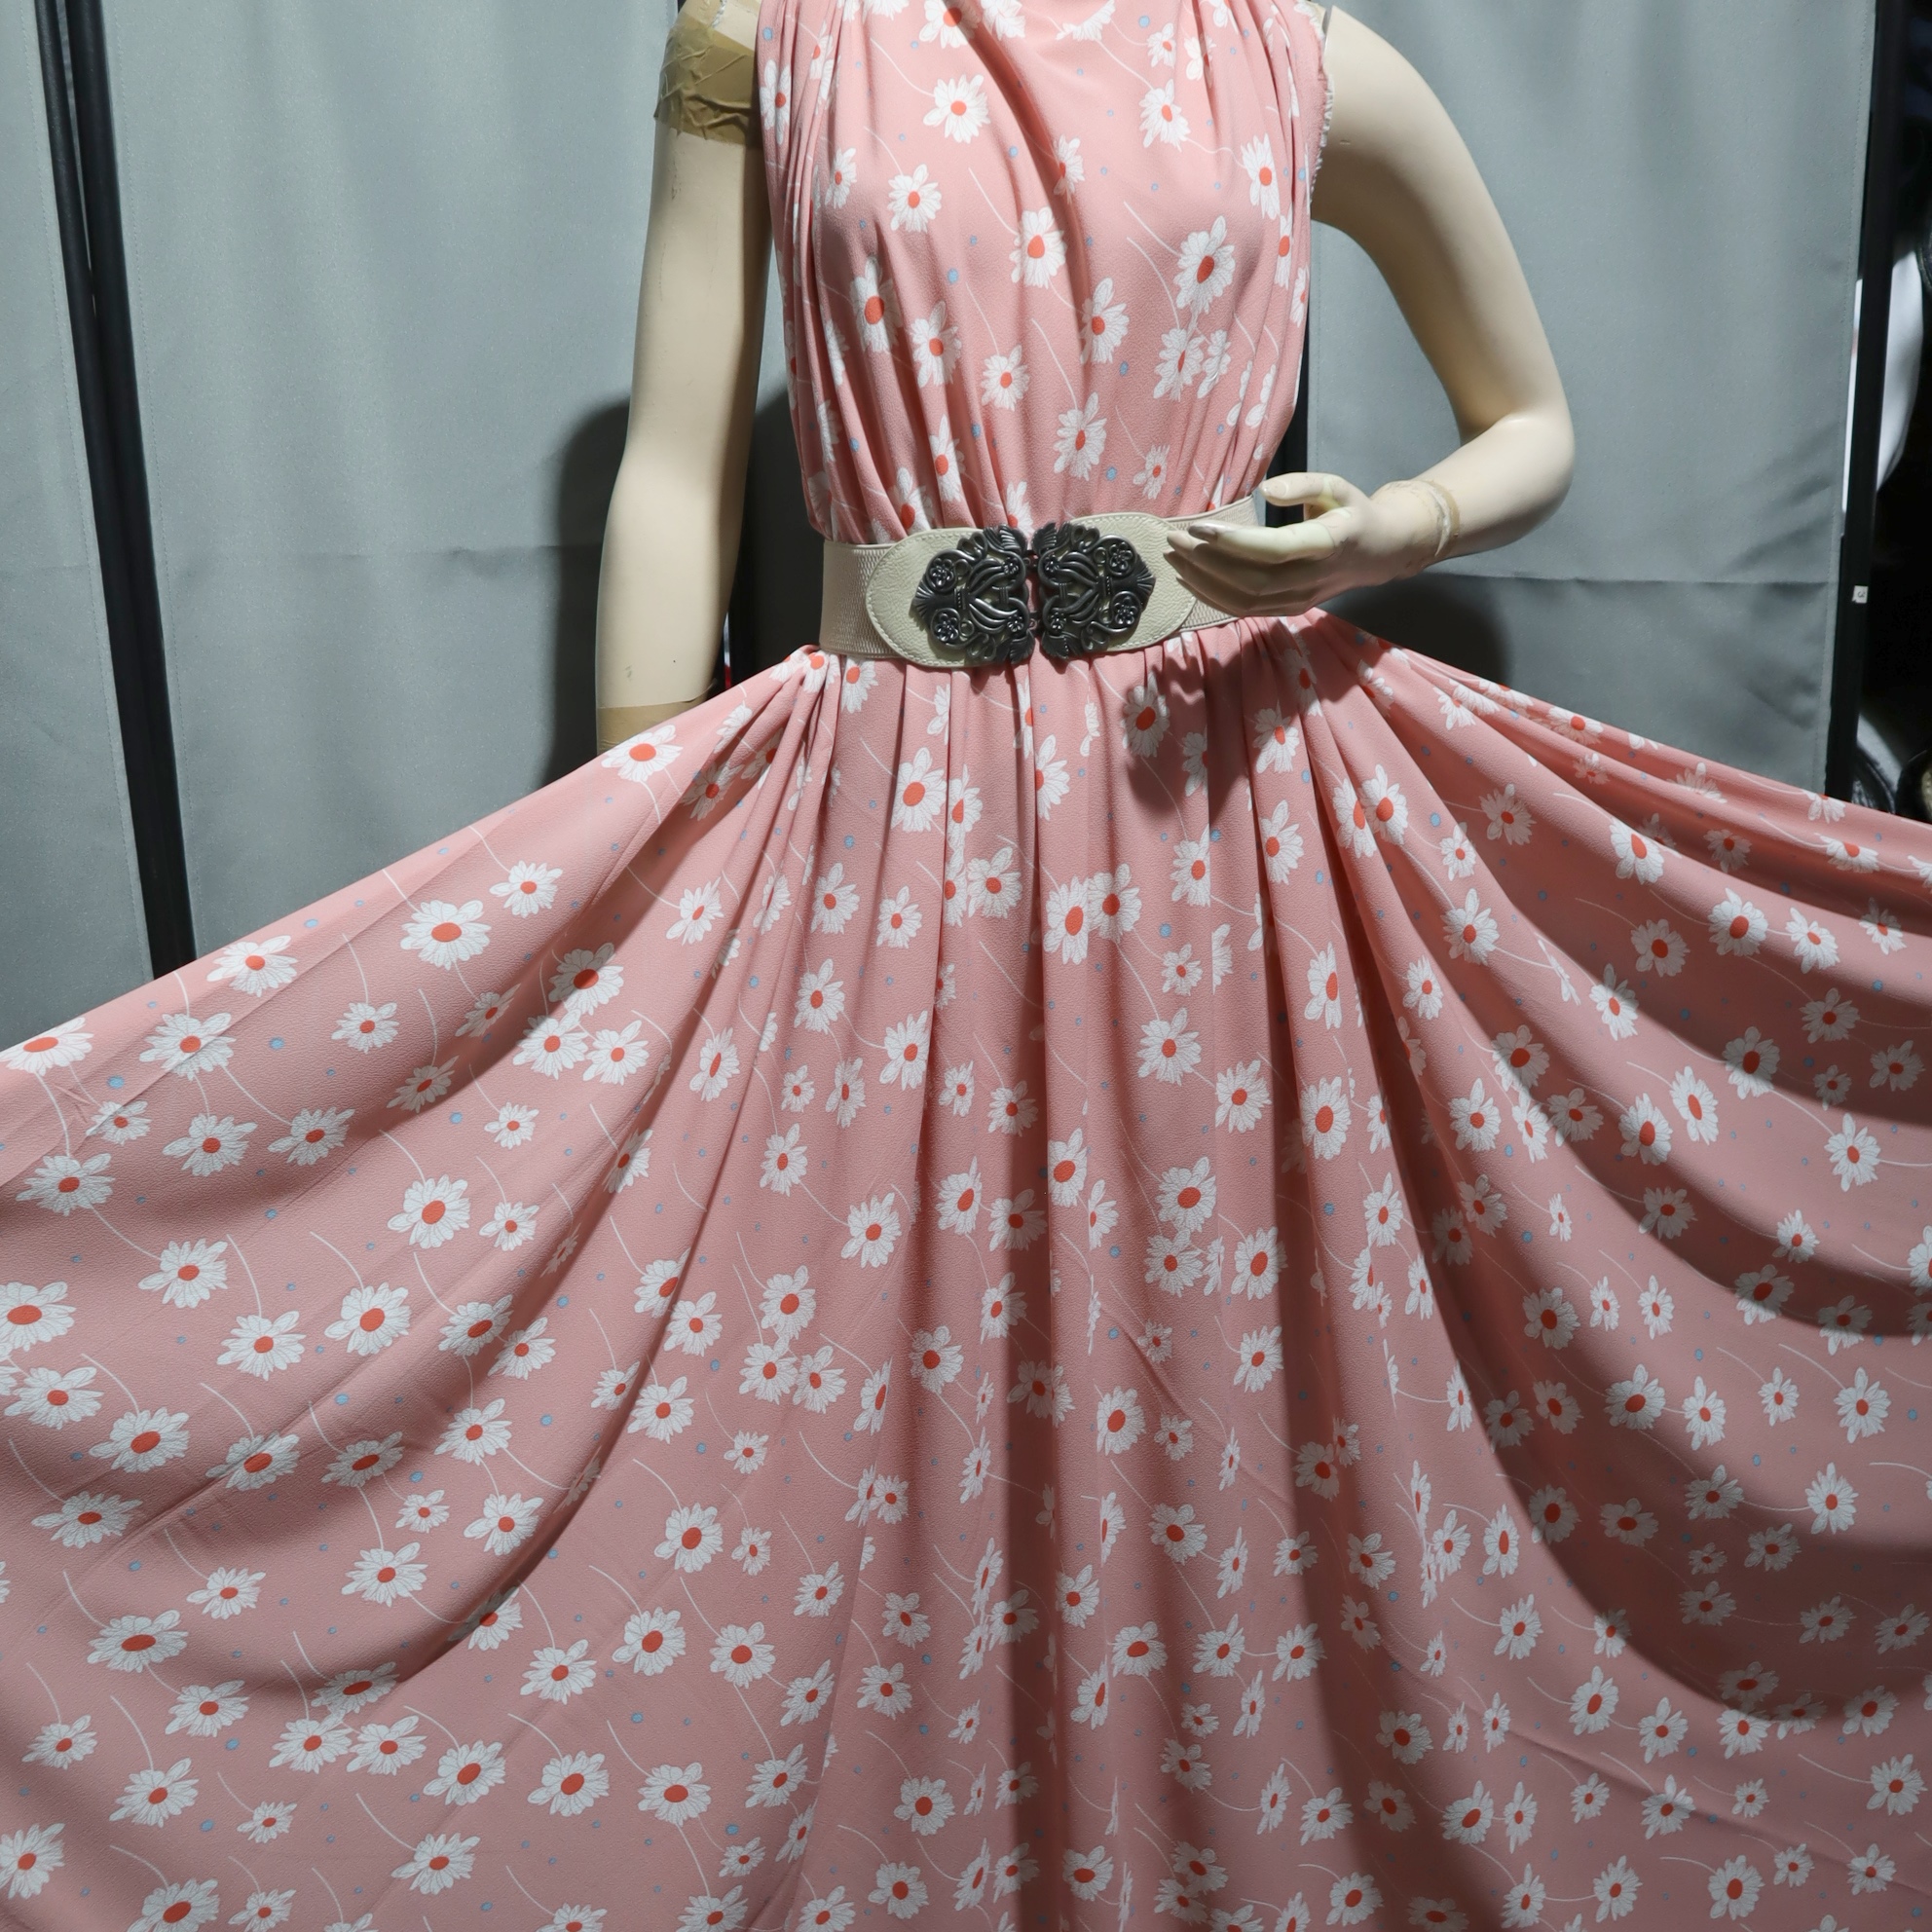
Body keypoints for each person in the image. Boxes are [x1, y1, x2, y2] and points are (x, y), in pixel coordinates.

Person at [1, 1, 1927, 1925]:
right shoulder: (763, 30)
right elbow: (673, 468)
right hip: (880, 825)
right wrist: (641, 844)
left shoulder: (1298, 55)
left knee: (1212, 1397)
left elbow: (1533, 422)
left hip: (1210, 819)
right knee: (849, 1413)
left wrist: (1386, 527)